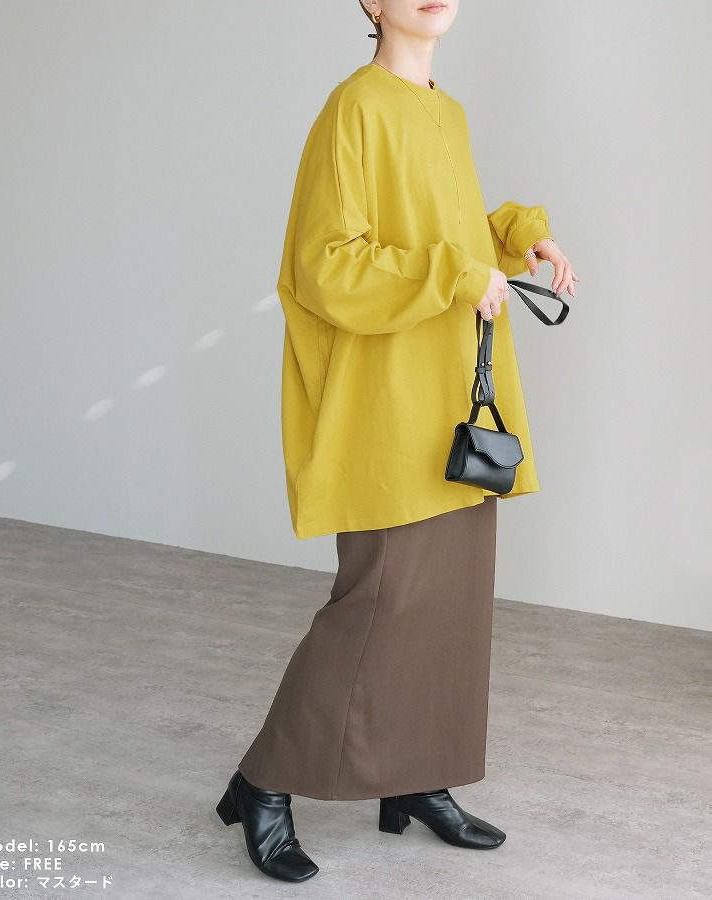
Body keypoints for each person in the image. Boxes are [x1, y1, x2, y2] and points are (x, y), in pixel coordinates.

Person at [216, 0, 578, 884]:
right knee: (376, 607)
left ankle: (415, 779)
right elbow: (326, 263)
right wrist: (456, 271)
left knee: (450, 607)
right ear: (370, 3)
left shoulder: (445, 112)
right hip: (388, 403)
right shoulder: (355, 107)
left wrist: (519, 235)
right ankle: (263, 780)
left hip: (452, 399)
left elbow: (449, 234)